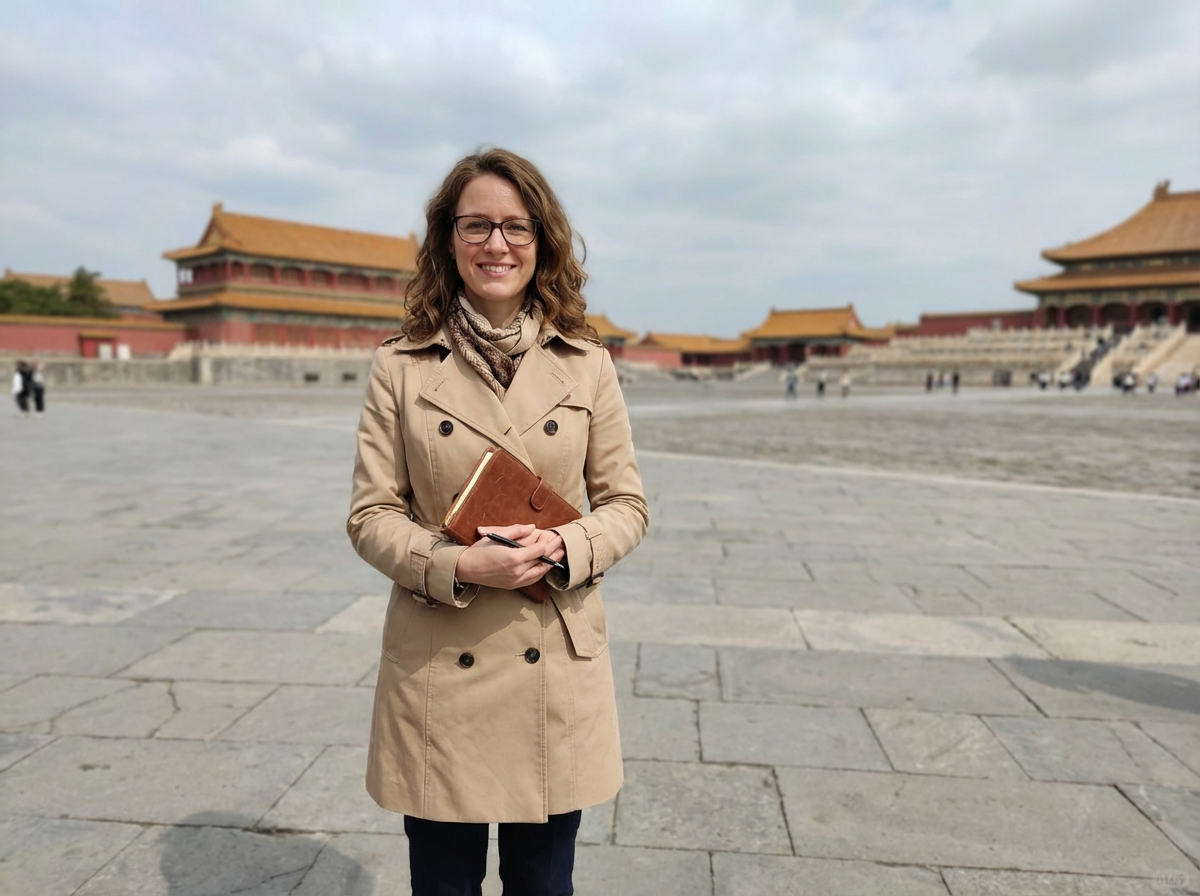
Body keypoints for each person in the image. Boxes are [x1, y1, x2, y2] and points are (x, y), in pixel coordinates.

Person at [346, 148, 649, 896]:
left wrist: (566, 544)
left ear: (542, 240)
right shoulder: (403, 366)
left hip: (552, 656)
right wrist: (456, 566)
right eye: (476, 225)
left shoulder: (587, 364)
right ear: (448, 238)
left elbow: (628, 505)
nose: (497, 245)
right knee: (443, 886)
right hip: (442, 662)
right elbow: (370, 514)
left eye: (516, 227)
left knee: (545, 887)